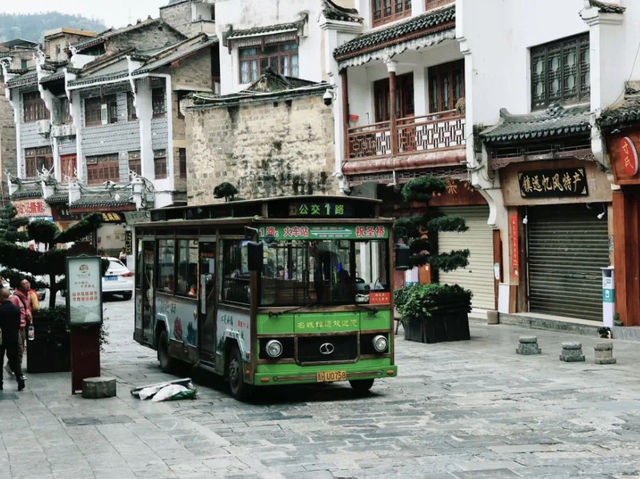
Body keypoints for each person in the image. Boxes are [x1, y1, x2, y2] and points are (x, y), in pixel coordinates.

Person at [0, 288, 25, 391]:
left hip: (1, 338)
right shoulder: (16, 309)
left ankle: (0, 383)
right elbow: (17, 324)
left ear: (1, 297)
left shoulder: (0, 310)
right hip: (13, 337)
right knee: (15, 360)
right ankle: (20, 380)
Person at [9, 278, 32, 370]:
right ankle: (17, 370)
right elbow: (10, 312)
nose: (27, 285)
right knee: (20, 349)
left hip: (23, 326)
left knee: (20, 349)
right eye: (24, 284)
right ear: (20, 287)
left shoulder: (28, 295)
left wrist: (27, 312)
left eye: (28, 282)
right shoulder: (14, 298)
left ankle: (11, 366)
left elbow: (26, 308)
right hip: (16, 327)